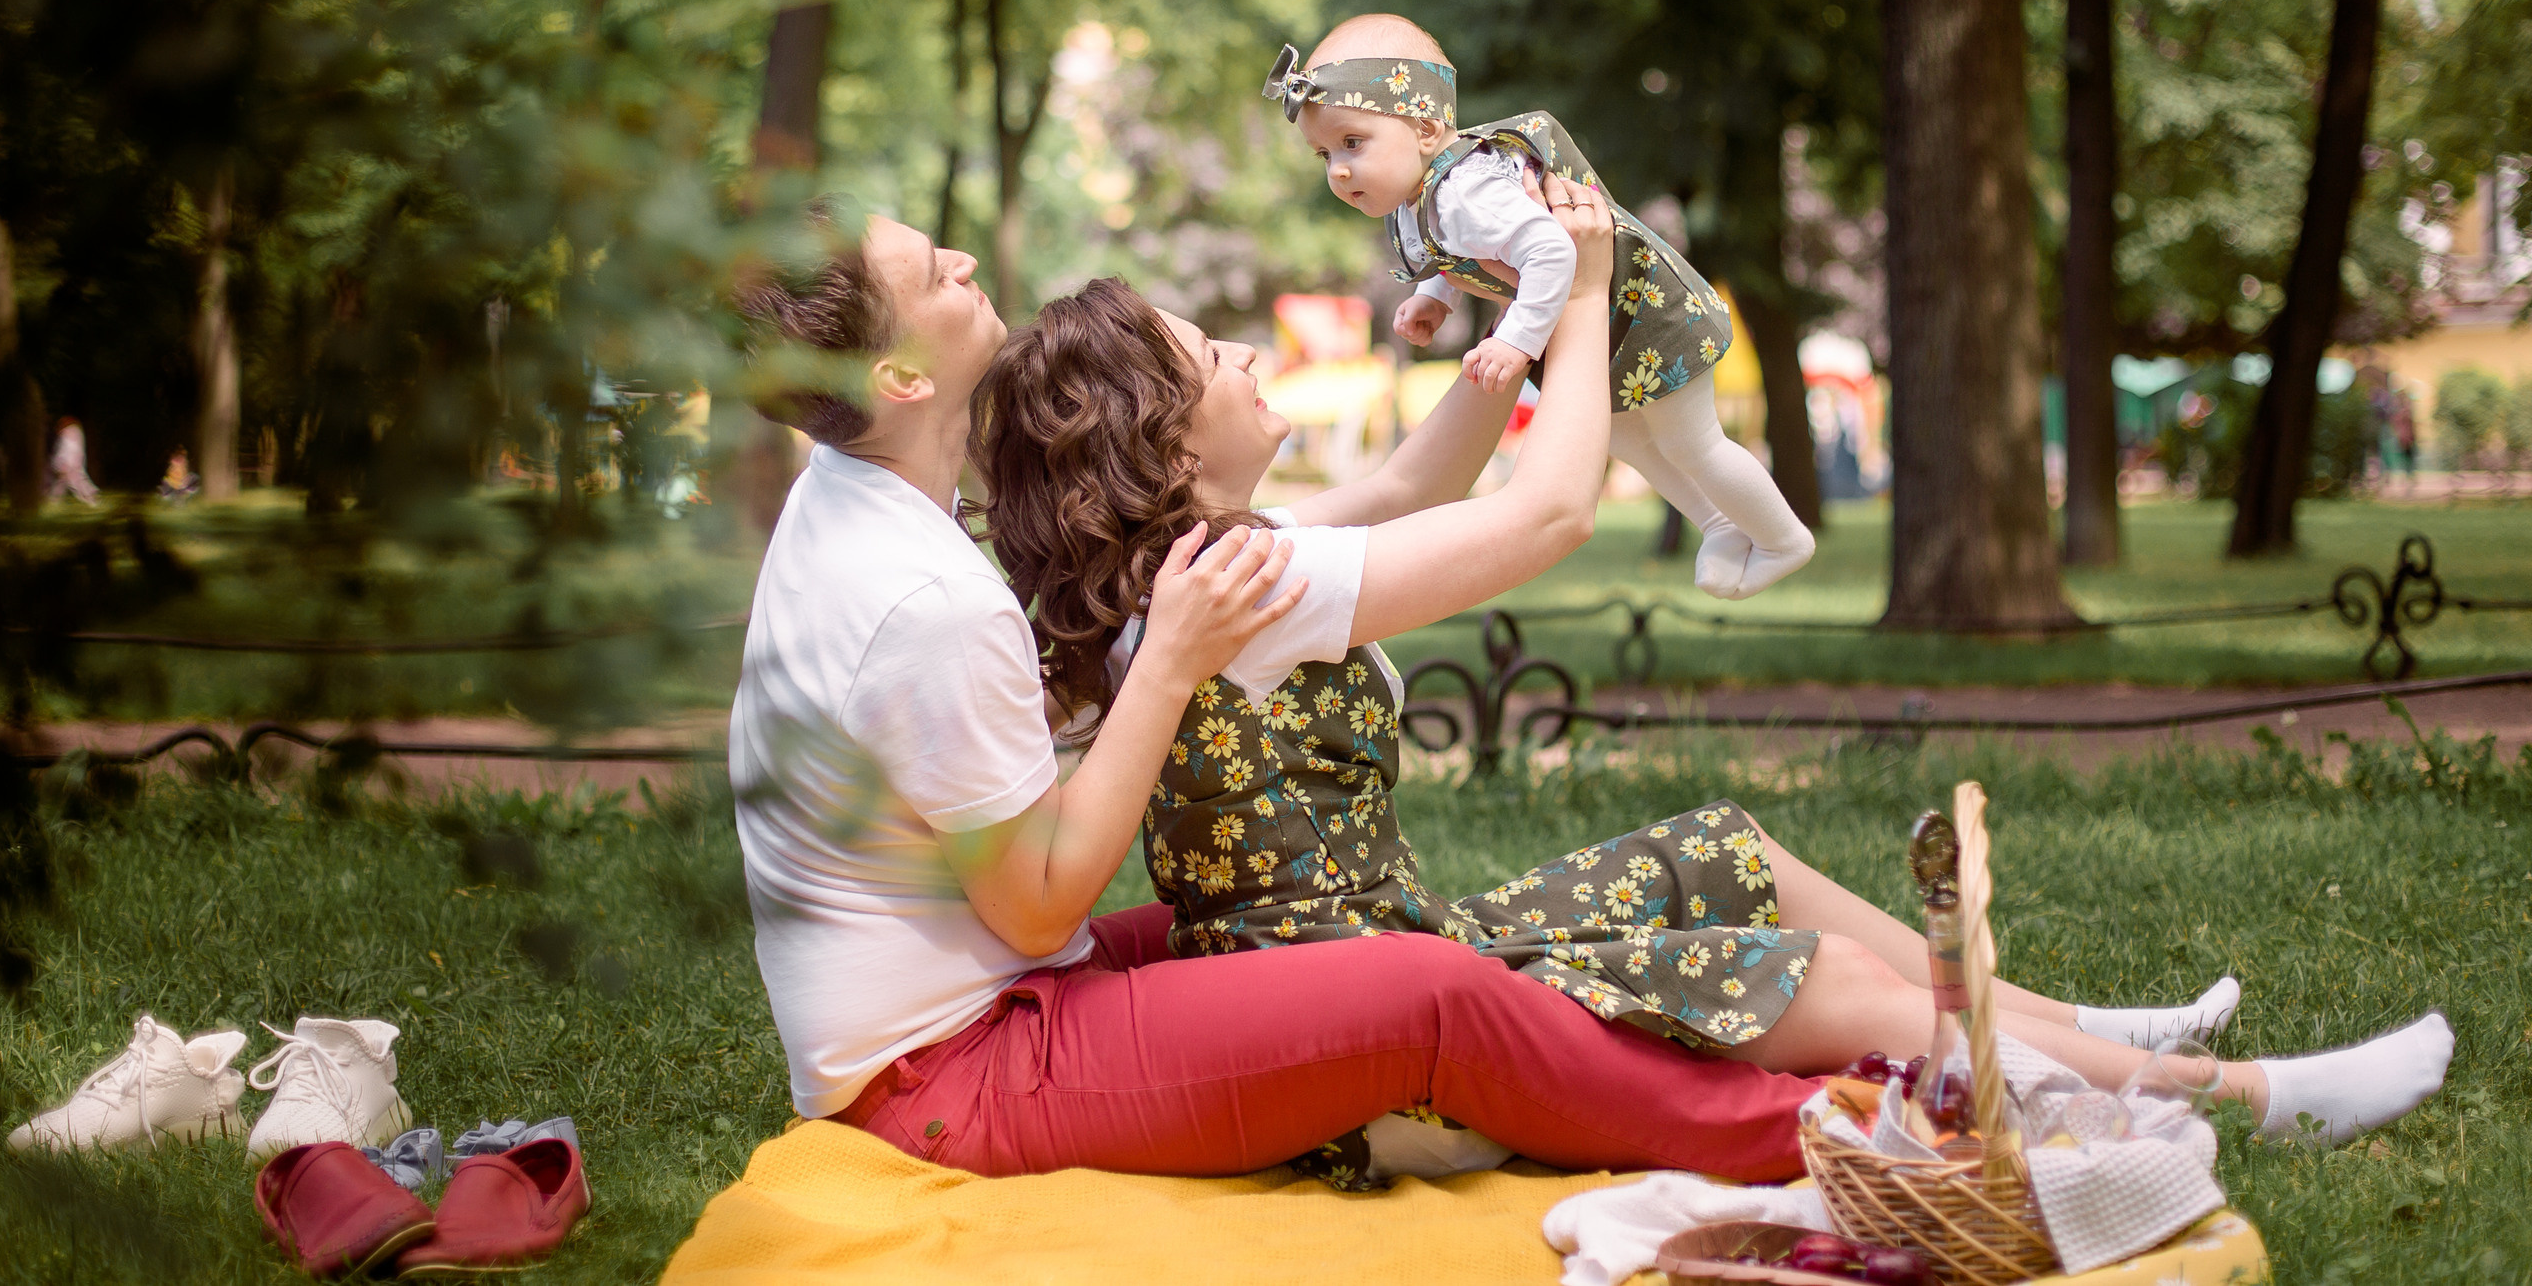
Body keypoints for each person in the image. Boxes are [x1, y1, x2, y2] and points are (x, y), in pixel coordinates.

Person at [970, 175, 2453, 1171]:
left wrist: (1519, 312)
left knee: (1719, 848)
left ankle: (2077, 1031)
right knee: (1818, 980)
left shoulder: (1209, 569)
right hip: (1379, 1040)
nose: (1245, 351)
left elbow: (1421, 480)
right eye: (1209, 353)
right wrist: (1589, 286)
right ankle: (2240, 1097)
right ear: (1165, 442)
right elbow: (1545, 517)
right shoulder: (1248, 586)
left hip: (1376, 960)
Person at [727, 201, 1825, 1190]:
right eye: (933, 273)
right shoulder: (923, 599)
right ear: (901, 379)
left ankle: (1701, 1037)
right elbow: (1040, 905)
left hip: (986, 1001)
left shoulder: (852, 501)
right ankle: (1819, 1132)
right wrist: (1171, 663)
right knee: (1426, 993)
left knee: (1304, 931)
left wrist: (1521, 314)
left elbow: (1397, 492)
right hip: (950, 1075)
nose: (963, 260)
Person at [1267, 13, 1812, 601]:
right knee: (1623, 437)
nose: (1339, 168)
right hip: (1602, 329)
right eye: (1324, 154)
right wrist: (1435, 295)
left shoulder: (1468, 190)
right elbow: (1474, 249)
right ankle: (1720, 523)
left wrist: (1515, 340)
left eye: (1352, 143)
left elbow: (1552, 250)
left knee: (1690, 441)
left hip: (1648, 313)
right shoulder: (1423, 195)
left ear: (1425, 128)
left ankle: (1784, 539)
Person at [46, 417, 100, 504]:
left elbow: (65, 449)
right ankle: (53, 499)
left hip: (68, 463)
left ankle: (91, 496)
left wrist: (61, 462)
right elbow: (74, 450)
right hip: (73, 462)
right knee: (65, 481)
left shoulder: (68, 433)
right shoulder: (75, 433)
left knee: (74, 481)